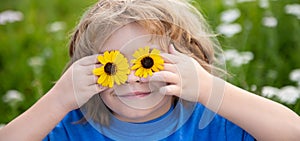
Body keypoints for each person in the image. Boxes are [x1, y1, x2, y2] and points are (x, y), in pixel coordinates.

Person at [0, 0, 300, 140]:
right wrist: (57, 100)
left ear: (189, 62)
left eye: (148, 61)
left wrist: (210, 90)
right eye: (112, 65)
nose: (133, 76)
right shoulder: (71, 128)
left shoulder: (211, 123)